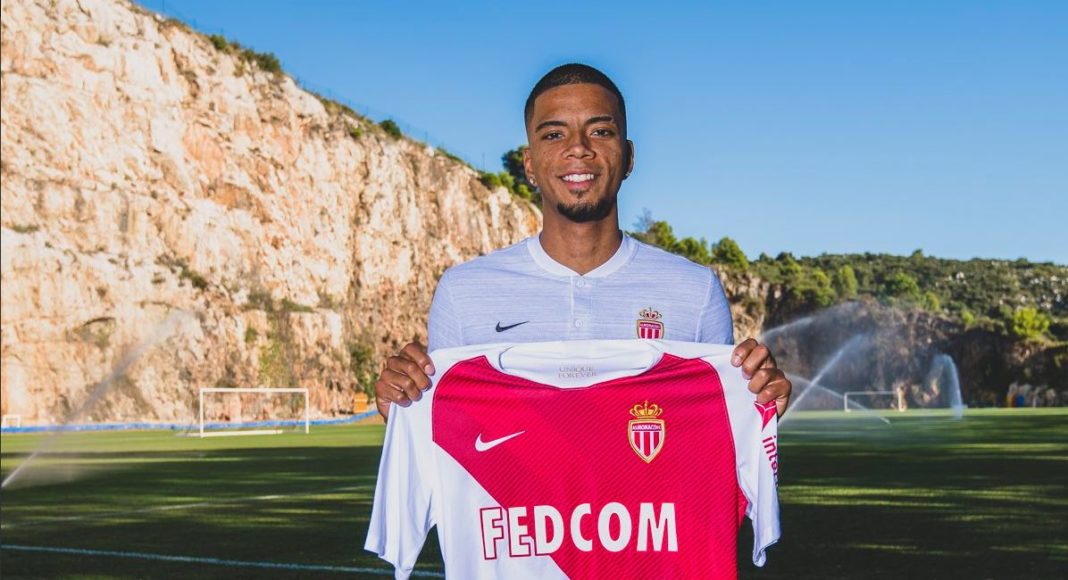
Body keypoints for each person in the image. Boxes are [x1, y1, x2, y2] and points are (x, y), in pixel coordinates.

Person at [373, 63, 792, 419]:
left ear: (628, 157)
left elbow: (712, 434)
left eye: (601, 131)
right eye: (554, 135)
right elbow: (446, 435)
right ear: (529, 164)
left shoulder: (695, 291)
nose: (578, 148)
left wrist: (758, 400)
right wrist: (404, 404)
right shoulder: (464, 292)